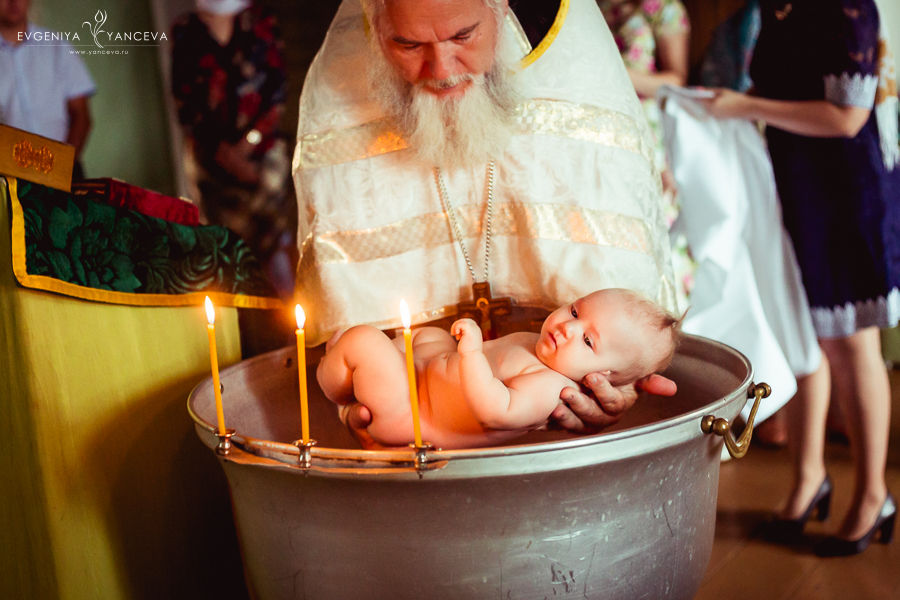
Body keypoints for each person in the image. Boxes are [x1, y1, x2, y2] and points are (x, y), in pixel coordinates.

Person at [293, 0, 680, 437]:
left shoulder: (571, 65)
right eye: (407, 42)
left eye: (463, 36)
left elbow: (624, 322)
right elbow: (348, 305)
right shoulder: (347, 83)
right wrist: (359, 383)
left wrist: (624, 381)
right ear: (374, 21)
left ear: (500, 8)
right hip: (420, 392)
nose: (440, 69)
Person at [701, 0, 898, 556]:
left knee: (853, 345)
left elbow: (847, 116)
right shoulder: (773, 10)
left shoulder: (849, 8)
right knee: (802, 336)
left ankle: (873, 494)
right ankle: (809, 478)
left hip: (848, 194)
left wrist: (745, 106)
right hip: (797, 189)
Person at [318, 288, 680, 449]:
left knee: (363, 339)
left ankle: (334, 380)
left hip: (413, 415)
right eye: (574, 311)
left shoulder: (549, 389)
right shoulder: (539, 347)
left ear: (604, 378)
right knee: (428, 336)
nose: (567, 328)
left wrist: (472, 352)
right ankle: (366, 366)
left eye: (588, 341)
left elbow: (494, 411)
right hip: (423, 381)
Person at [170, 0, 296, 300]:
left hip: (262, 156)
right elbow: (184, 100)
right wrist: (223, 153)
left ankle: (291, 324)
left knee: (274, 242)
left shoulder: (262, 19)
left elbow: (277, 89)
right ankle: (247, 330)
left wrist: (247, 145)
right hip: (211, 162)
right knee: (227, 248)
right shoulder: (186, 29)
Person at [0, 0, 94, 179]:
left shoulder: (56, 45)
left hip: (65, 172)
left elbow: (81, 115)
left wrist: (62, 167)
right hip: (8, 180)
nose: (13, 2)